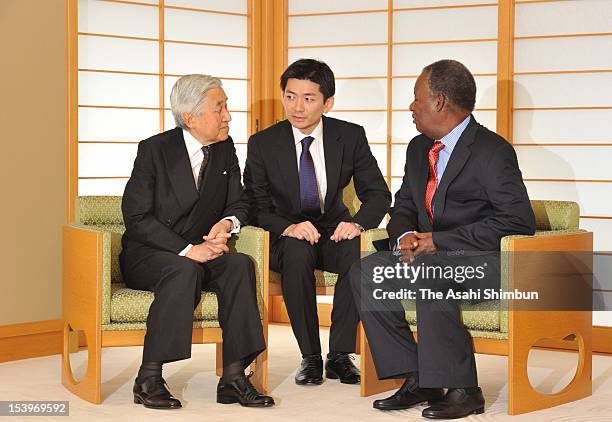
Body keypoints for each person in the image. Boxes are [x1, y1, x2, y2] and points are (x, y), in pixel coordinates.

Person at [350, 59, 535, 419]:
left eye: (416, 98)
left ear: (439, 101)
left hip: (482, 263)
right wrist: (405, 236)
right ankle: (420, 378)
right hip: (428, 256)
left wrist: (439, 241)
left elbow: (517, 220)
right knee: (365, 272)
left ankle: (465, 390)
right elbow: (403, 204)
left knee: (432, 270)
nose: (411, 107)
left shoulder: (492, 151)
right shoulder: (419, 148)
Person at [120, 74, 274, 409]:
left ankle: (234, 375)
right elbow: (136, 218)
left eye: (227, 106)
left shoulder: (225, 148)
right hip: (152, 253)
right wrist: (191, 250)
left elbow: (241, 201)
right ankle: (148, 376)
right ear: (190, 118)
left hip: (202, 248)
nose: (228, 116)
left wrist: (226, 223)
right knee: (183, 270)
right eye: (220, 108)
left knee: (239, 265)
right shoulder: (154, 150)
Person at [244, 59, 391, 386]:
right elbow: (254, 205)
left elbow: (379, 194)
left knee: (357, 252)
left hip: (333, 230)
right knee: (297, 254)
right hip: (287, 234)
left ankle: (339, 355)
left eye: (309, 98)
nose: (298, 107)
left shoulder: (349, 136)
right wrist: (287, 227)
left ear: (328, 102)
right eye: (290, 96)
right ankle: (309, 356)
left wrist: (357, 223)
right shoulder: (263, 144)